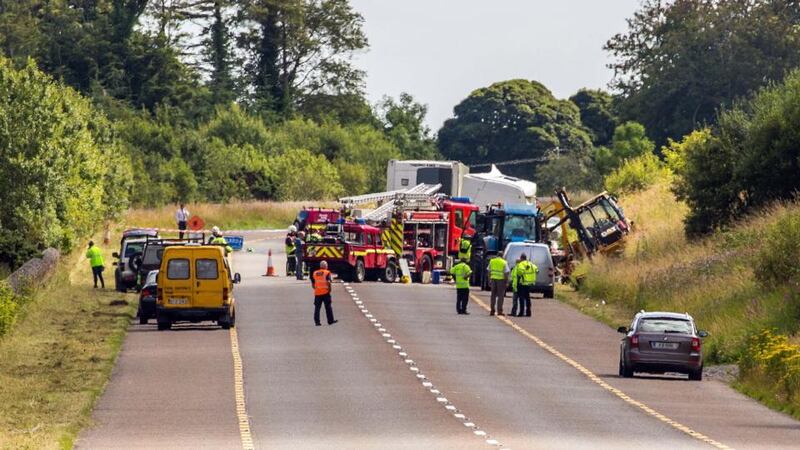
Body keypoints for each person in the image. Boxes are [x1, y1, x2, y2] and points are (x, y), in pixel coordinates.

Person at [311, 260, 337, 326]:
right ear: (325, 266)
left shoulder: (315, 273)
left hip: (317, 293)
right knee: (328, 307)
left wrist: (316, 288)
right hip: (325, 292)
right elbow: (328, 282)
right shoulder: (327, 272)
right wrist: (330, 289)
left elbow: (313, 284)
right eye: (327, 265)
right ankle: (330, 321)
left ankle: (317, 322)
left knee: (317, 308)